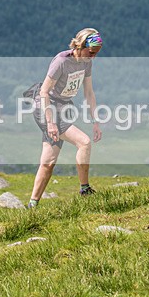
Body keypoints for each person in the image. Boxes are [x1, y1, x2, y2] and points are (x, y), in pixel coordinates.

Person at [26, 28, 103, 208]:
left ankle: (32, 205)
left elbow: (89, 93)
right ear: (80, 45)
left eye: (96, 54)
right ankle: (85, 189)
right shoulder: (61, 61)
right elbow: (44, 92)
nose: (93, 57)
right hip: (46, 107)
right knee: (84, 142)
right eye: (91, 52)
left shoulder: (86, 62)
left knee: (48, 162)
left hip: (63, 107)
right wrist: (51, 123)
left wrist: (95, 122)